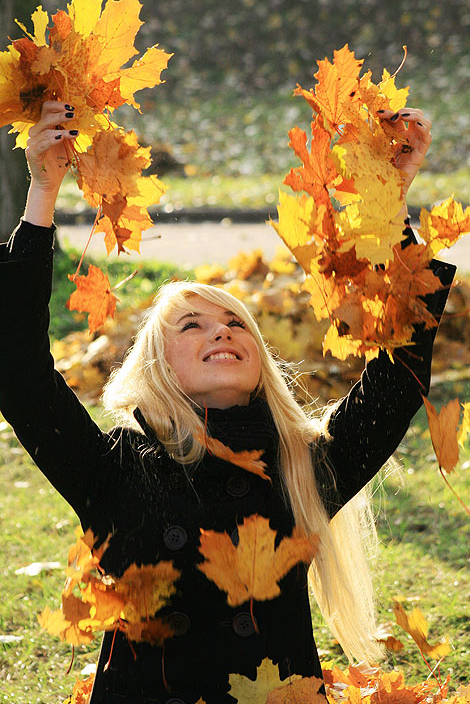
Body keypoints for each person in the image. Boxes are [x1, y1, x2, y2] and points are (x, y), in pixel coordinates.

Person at [0, 97, 455, 704]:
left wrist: (388, 198)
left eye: (235, 324)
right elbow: (19, 373)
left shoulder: (304, 465)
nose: (221, 331)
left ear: (259, 360)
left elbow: (401, 371)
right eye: (191, 326)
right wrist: (42, 193)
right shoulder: (116, 469)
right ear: (160, 370)